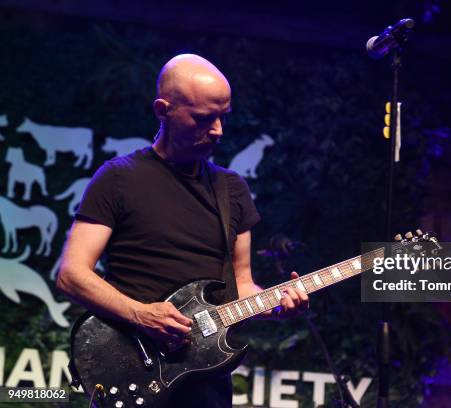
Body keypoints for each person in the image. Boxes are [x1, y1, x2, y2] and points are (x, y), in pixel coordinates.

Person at [56, 54, 309, 407]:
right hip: (131, 368)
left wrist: (276, 305)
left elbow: (243, 285)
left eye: (224, 116)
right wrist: (139, 314)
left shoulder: (232, 190)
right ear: (163, 110)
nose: (218, 130)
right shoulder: (118, 178)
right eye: (205, 118)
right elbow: (71, 275)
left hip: (206, 382)